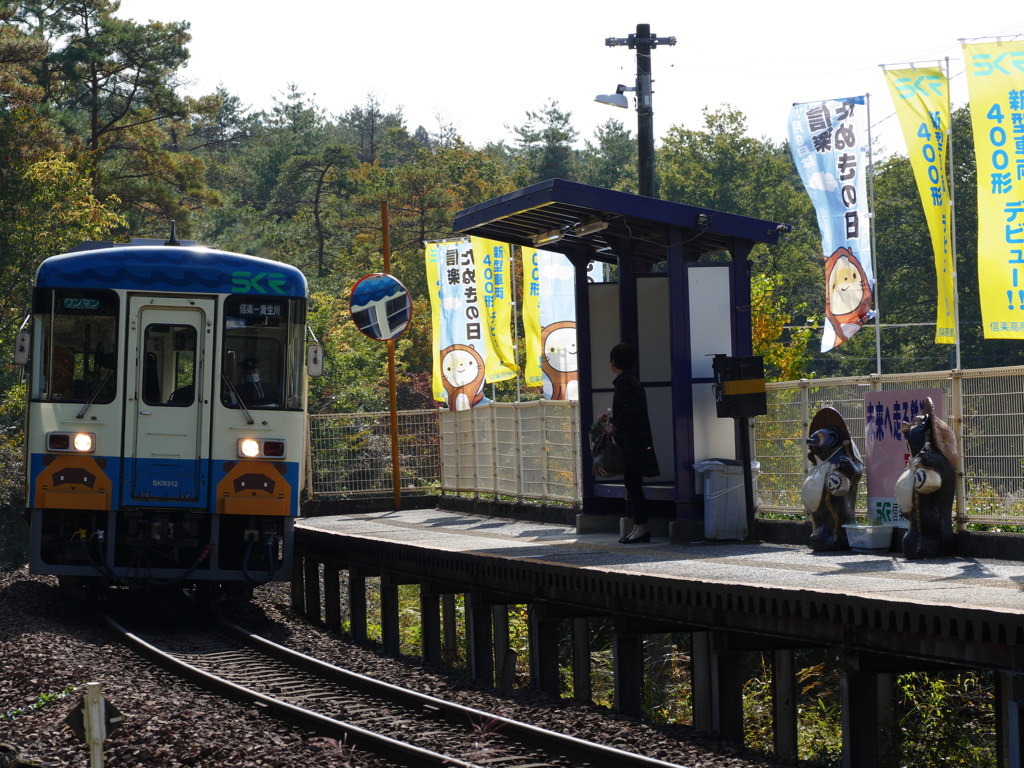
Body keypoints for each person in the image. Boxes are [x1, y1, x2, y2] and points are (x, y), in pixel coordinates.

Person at [599, 343, 660, 543]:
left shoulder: (624, 382)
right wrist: (610, 418)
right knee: (633, 485)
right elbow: (628, 408)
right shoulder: (629, 381)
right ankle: (638, 527)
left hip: (632, 443)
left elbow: (629, 411)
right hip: (637, 441)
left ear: (613, 362)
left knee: (633, 486)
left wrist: (613, 426)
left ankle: (642, 528)